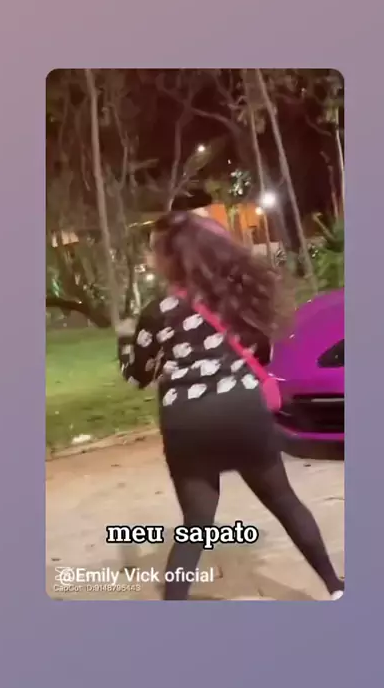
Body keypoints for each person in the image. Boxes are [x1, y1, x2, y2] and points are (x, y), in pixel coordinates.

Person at [117, 211, 344, 601]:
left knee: (196, 523)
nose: (149, 257)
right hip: (242, 411)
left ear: (172, 257)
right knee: (284, 502)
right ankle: (335, 587)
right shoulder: (236, 299)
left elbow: (137, 376)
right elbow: (262, 352)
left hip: (187, 420)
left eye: (154, 250)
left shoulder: (158, 312)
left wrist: (125, 343)